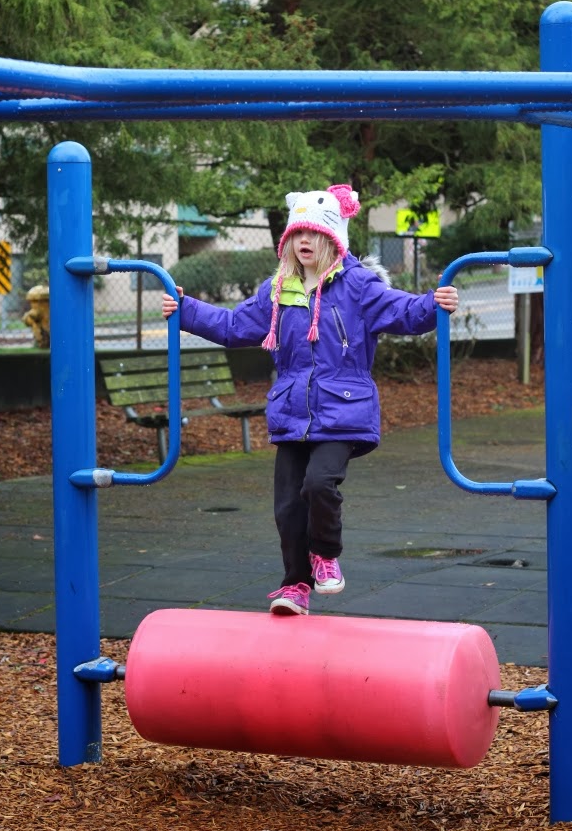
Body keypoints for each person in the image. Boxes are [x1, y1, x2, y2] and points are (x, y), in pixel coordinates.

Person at [161, 184, 458, 617]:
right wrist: (186, 309)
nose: (304, 241)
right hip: (292, 413)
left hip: (344, 412)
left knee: (318, 483)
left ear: (333, 240)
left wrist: (435, 304)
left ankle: (325, 554)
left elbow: (404, 312)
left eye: (314, 234)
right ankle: (295, 584)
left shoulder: (358, 286)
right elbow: (232, 326)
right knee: (287, 506)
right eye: (297, 234)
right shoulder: (277, 289)